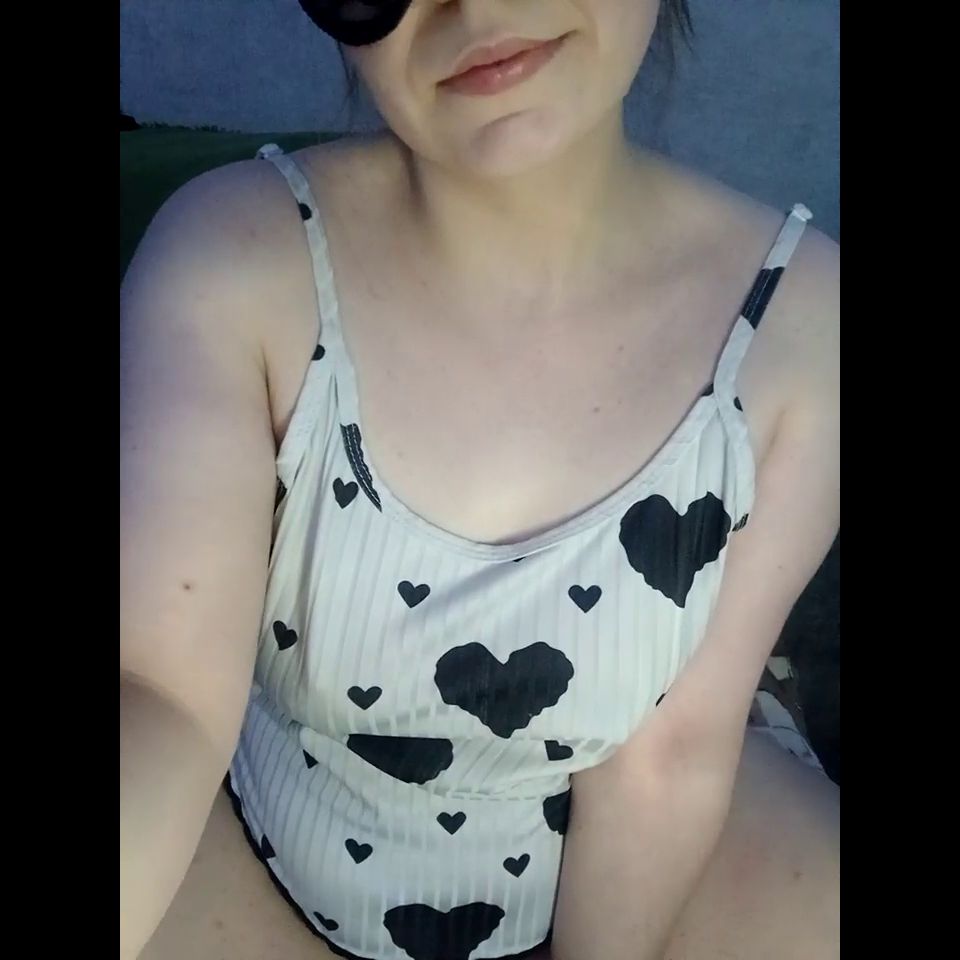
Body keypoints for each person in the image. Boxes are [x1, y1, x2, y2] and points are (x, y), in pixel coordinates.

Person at [120, 2, 840, 959]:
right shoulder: (231, 265)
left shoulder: (801, 326)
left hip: (642, 859)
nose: (478, 6)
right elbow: (159, 695)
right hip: (263, 850)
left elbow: (670, 755)